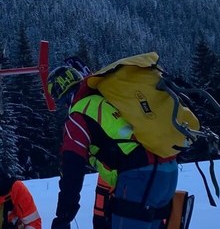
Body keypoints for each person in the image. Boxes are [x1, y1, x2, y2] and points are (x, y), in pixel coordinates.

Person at [47, 62, 179, 229]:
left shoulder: (78, 115)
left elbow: (72, 168)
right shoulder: (107, 97)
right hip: (167, 170)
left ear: (62, 97)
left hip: (138, 177)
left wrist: (63, 216)